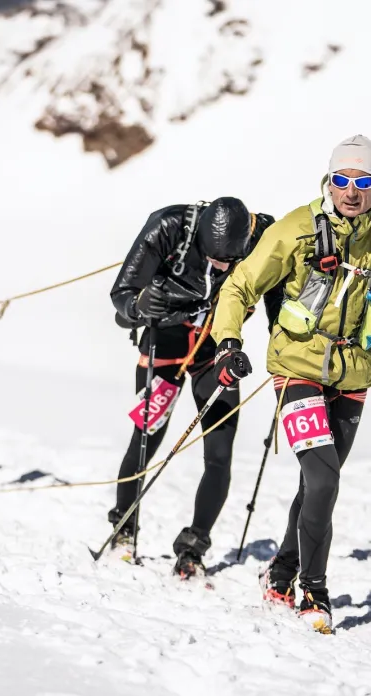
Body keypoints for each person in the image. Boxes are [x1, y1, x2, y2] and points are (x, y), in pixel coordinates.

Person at [210, 135, 371, 633]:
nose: (351, 191)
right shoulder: (296, 230)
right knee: (326, 478)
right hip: (297, 368)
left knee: (316, 483)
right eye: (342, 180)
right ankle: (314, 589)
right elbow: (240, 286)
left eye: (363, 182)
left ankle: (282, 572)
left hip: (354, 376)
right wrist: (228, 341)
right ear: (328, 180)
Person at [109, 197, 278, 577]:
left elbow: (278, 293)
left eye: (229, 260)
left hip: (216, 347)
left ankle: (193, 547)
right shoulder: (167, 226)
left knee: (219, 453)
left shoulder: (265, 233)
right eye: (215, 258)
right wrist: (140, 306)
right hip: (165, 339)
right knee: (146, 436)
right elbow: (121, 295)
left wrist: (281, 338)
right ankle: (123, 528)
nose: (221, 266)